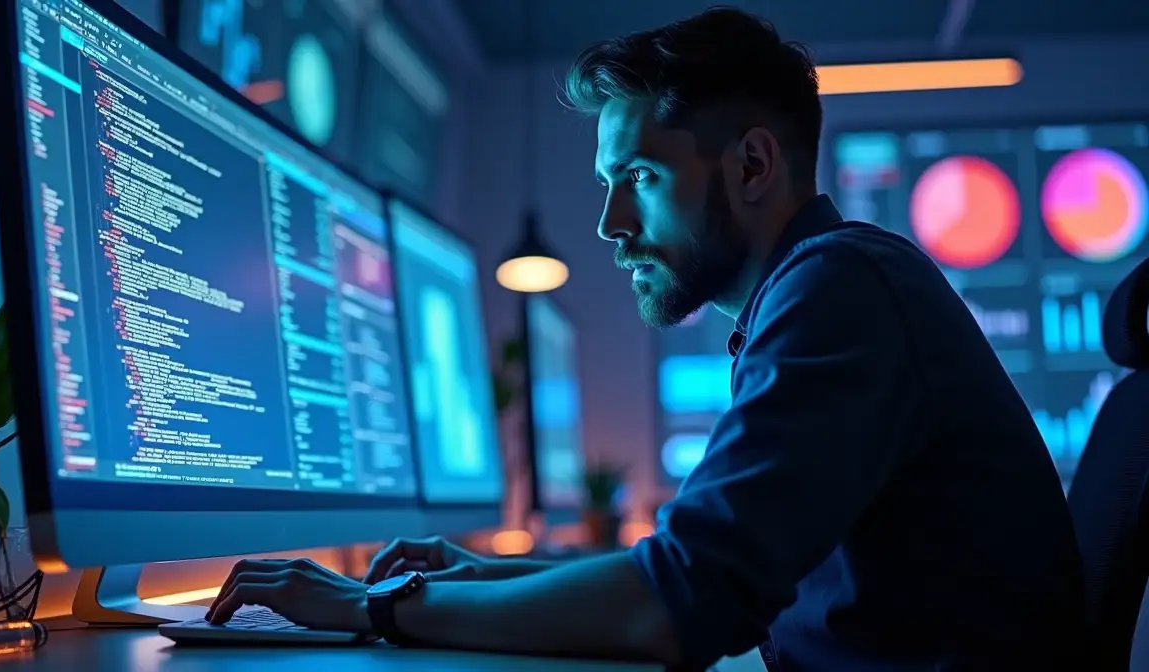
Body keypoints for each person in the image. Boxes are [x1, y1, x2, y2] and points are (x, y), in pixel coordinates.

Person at [206, 7, 1085, 670]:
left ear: (751, 165)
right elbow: (688, 565)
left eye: (639, 176)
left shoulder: (840, 288)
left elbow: (681, 604)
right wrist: (480, 576)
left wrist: (379, 608)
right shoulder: (825, 288)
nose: (609, 223)